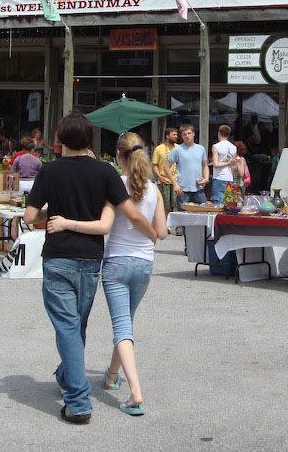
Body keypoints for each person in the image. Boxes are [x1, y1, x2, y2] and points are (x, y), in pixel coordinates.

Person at [22, 112, 153, 425]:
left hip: (58, 258)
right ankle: (68, 374)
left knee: (67, 326)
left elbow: (29, 217)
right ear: (90, 139)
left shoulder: (49, 172)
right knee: (76, 323)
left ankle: (78, 401)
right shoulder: (105, 172)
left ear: (62, 140)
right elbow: (129, 211)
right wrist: (154, 232)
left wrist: (52, 212)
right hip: (91, 260)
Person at [88, 133, 167, 416]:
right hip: (144, 264)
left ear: (119, 157)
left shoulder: (114, 186)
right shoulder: (154, 189)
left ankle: (136, 393)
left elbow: (105, 222)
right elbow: (163, 232)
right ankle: (111, 375)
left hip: (117, 263)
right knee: (126, 325)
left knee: (122, 328)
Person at [167, 124, 209, 205]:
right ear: (181, 136)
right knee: (183, 216)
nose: (187, 136)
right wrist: (175, 184)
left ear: (193, 134)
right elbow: (166, 167)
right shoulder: (177, 149)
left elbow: (205, 165)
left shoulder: (201, 148)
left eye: (189, 133)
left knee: (202, 215)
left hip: (199, 189)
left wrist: (206, 178)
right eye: (184, 134)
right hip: (183, 190)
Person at [151, 127, 179, 213]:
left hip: (176, 181)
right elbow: (154, 165)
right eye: (174, 135)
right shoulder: (159, 148)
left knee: (176, 204)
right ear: (167, 136)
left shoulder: (178, 148)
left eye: (176, 134)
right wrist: (159, 176)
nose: (176, 136)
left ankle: (175, 225)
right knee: (164, 205)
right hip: (164, 181)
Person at [209, 124, 238, 203]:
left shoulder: (216, 146)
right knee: (228, 202)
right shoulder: (234, 147)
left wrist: (227, 163)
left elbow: (216, 164)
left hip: (219, 177)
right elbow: (234, 166)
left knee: (218, 202)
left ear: (219, 133)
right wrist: (229, 163)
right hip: (229, 178)